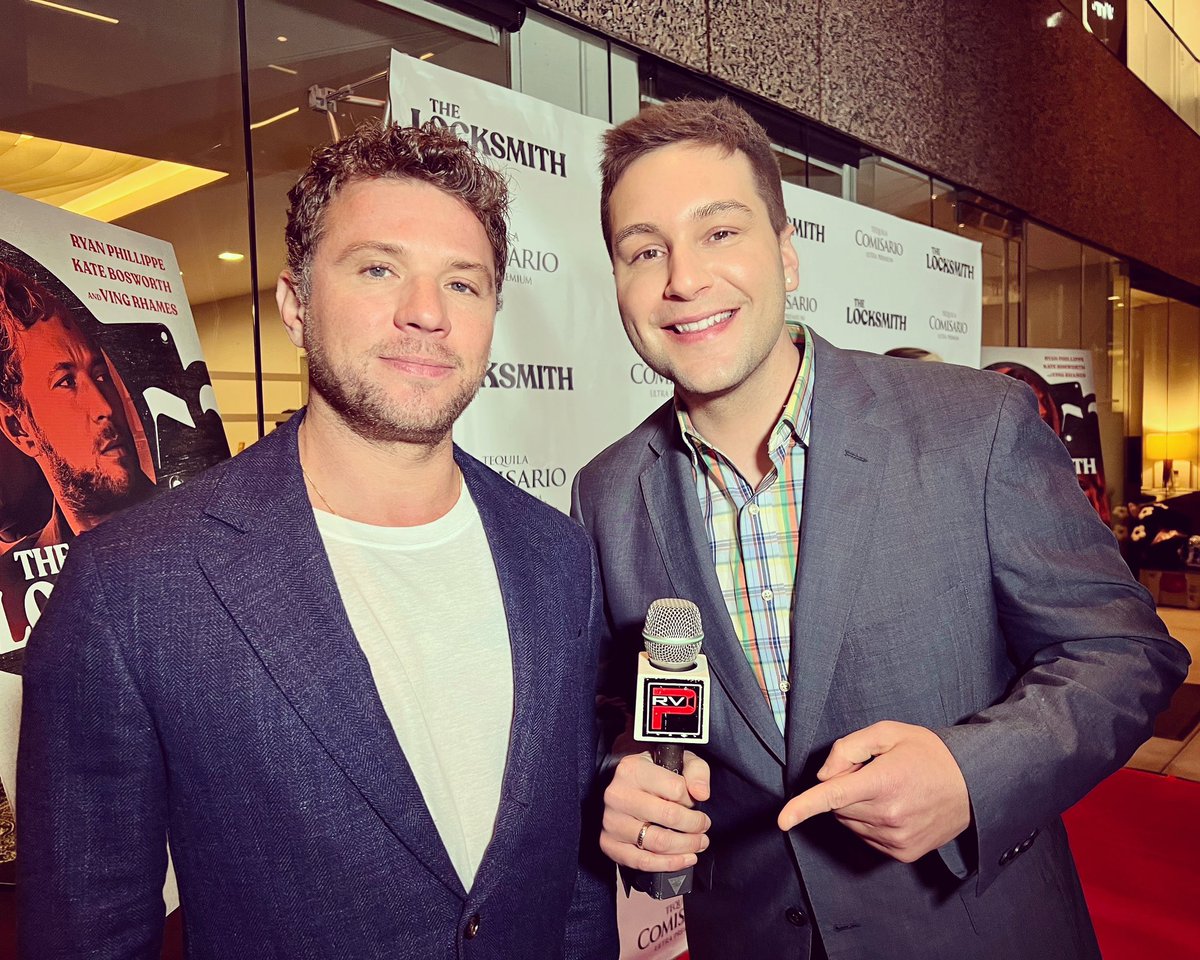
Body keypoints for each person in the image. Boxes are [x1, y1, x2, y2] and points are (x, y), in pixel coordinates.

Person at [571, 98, 1189, 960]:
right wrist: (620, 784)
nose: (682, 278)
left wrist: (971, 775)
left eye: (719, 233)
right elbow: (616, 710)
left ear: (785, 252)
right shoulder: (604, 492)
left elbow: (1129, 655)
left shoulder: (977, 425)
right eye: (645, 250)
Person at [18, 121, 617, 960]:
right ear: (296, 307)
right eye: (379, 269)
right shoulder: (134, 583)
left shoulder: (558, 558)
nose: (426, 314)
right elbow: (86, 929)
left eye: (464, 284)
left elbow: (573, 886)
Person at [0, 262, 155, 540]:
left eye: (99, 375)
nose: (104, 407)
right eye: (66, 382)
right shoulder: (14, 581)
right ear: (19, 430)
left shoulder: (192, 524)